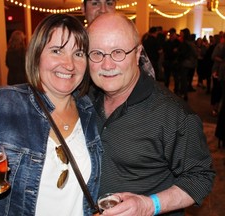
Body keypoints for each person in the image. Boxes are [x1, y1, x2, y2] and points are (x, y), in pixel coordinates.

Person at [0, 14, 102, 216]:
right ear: (37, 55)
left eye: (78, 54)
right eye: (57, 51)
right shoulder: (0, 104)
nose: (69, 64)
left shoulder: (92, 111)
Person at [87, 13, 215, 216]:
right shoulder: (84, 99)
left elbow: (200, 178)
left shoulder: (174, 115)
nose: (107, 65)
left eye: (118, 52)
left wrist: (148, 205)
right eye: (96, 53)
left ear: (138, 53)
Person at [81, 0, 155, 79]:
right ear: (83, 8)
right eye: (95, 3)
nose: (103, 10)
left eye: (109, 3)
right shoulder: (75, 43)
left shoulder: (129, 43)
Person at [162, 28, 180, 93]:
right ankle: (166, 91)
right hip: (168, 62)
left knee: (176, 78)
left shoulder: (178, 43)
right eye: (171, 34)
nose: (171, 35)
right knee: (167, 78)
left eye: (172, 34)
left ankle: (176, 91)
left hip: (174, 62)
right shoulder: (167, 42)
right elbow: (165, 52)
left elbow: (179, 52)